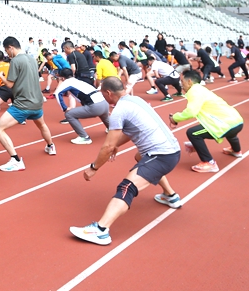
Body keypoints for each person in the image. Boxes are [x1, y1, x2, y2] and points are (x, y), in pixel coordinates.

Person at [69, 77, 182, 246]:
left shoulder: (119, 111)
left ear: (108, 93)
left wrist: (94, 167)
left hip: (162, 156)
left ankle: (101, 231)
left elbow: (107, 146)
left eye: (102, 94)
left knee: (127, 187)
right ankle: (170, 196)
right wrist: (117, 145)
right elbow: (131, 130)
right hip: (171, 151)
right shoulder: (135, 100)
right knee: (140, 158)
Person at [0, 36, 56, 172]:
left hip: (23, 104)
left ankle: (15, 160)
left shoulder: (15, 61)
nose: (6, 54)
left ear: (10, 47)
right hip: (37, 101)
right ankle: (50, 146)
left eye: (6, 50)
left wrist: (1, 76)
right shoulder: (32, 59)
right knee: (42, 125)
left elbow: (10, 84)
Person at [168, 70, 244, 173]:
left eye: (182, 81)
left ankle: (209, 163)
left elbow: (191, 112)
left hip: (226, 125)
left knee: (193, 133)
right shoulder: (202, 90)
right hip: (237, 121)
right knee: (229, 131)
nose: (181, 84)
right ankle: (236, 150)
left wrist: (175, 118)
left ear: (189, 81)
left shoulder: (194, 91)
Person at [54, 68, 109, 145]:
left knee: (69, 114)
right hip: (104, 104)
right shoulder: (78, 81)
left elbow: (57, 93)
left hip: (95, 107)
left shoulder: (66, 82)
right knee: (104, 115)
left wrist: (64, 108)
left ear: (63, 78)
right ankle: (112, 130)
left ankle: (84, 137)